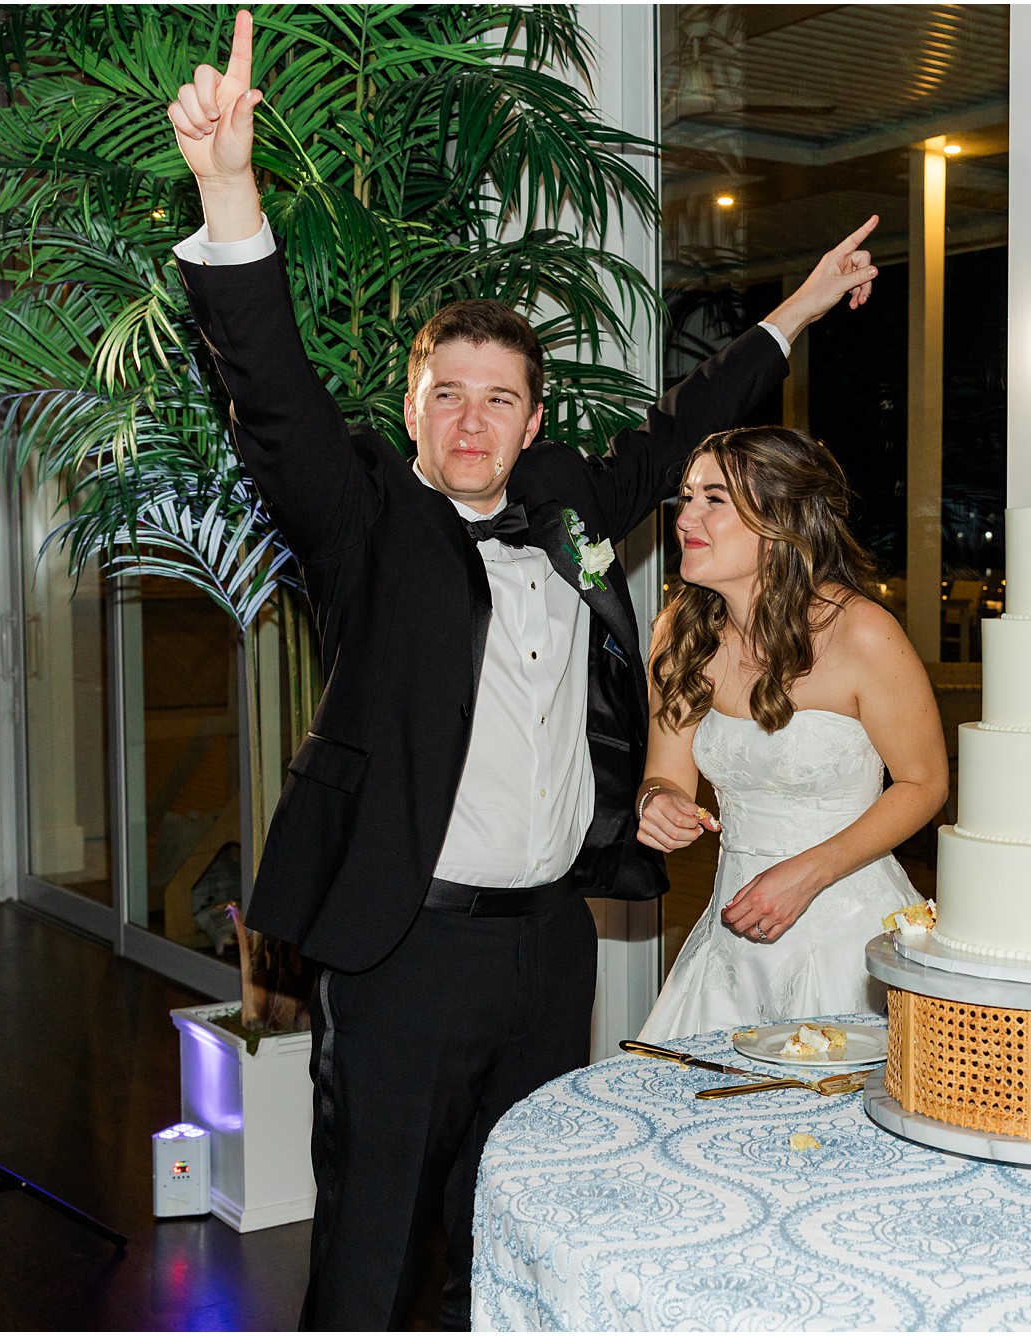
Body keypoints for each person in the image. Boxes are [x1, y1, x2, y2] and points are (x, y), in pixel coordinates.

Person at [165, 14, 879, 1329]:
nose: (475, 421)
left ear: (534, 420)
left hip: (551, 947)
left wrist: (797, 307)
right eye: (450, 396)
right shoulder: (364, 515)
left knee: (512, 1230)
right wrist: (228, 187)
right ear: (411, 411)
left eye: (501, 399)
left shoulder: (567, 502)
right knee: (375, 1248)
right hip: (403, 945)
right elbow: (269, 390)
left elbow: (684, 425)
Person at [634, 427, 946, 1038]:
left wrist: (810, 871)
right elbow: (665, 771)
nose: (686, 518)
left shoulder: (861, 633)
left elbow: (924, 782)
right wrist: (659, 801)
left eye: (714, 500)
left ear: (781, 521)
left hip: (847, 932)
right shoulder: (680, 634)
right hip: (732, 942)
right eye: (687, 496)